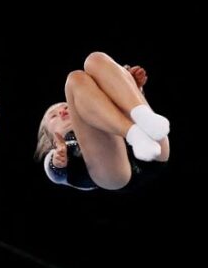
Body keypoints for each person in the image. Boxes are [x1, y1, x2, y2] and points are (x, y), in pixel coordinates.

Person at [35, 52, 170, 192]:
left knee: (95, 59)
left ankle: (140, 114)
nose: (62, 111)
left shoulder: (98, 110)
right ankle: (134, 133)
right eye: (53, 116)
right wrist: (57, 163)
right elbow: (56, 175)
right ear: (48, 136)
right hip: (115, 173)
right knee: (73, 80)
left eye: (66, 107)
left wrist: (129, 86)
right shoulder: (59, 150)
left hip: (154, 145)